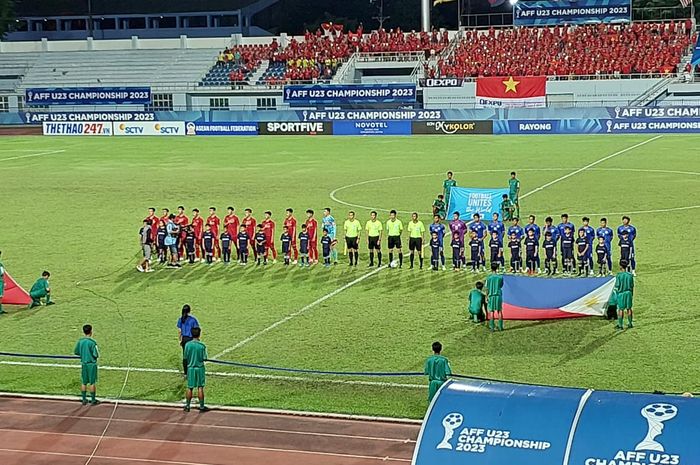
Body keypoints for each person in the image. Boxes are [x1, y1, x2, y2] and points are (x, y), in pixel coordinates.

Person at [183, 326, 209, 412]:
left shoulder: (187, 345)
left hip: (190, 368)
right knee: (200, 387)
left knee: (190, 387)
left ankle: (187, 406)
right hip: (200, 368)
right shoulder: (202, 346)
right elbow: (204, 358)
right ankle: (201, 407)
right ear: (199, 334)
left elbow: (185, 357)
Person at [74, 324, 99, 405]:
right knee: (92, 382)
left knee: (84, 382)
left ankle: (84, 399)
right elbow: (96, 354)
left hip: (84, 364)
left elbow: (76, 352)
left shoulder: (80, 342)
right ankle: (93, 400)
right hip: (91, 364)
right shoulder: (92, 343)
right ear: (91, 331)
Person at [177, 304, 200, 376]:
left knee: (185, 356)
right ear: (189, 311)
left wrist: (180, 340)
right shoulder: (193, 320)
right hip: (191, 339)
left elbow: (179, 331)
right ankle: (192, 371)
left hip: (184, 339)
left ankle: (185, 373)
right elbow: (196, 329)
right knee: (192, 356)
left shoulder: (181, 319)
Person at [614, 260, 634, 330]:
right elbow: (632, 286)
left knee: (621, 309)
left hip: (621, 294)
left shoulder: (619, 275)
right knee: (629, 308)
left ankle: (620, 325)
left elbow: (617, 286)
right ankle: (630, 323)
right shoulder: (630, 275)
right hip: (629, 293)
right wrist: (631, 294)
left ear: (620, 266)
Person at [486, 262, 504, 331]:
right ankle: (500, 327)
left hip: (491, 296)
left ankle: (492, 327)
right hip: (498, 296)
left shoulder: (489, 278)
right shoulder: (500, 277)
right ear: (497, 268)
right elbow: (501, 285)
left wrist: (486, 296)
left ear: (491, 268)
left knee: (492, 311)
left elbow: (487, 288)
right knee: (499, 311)